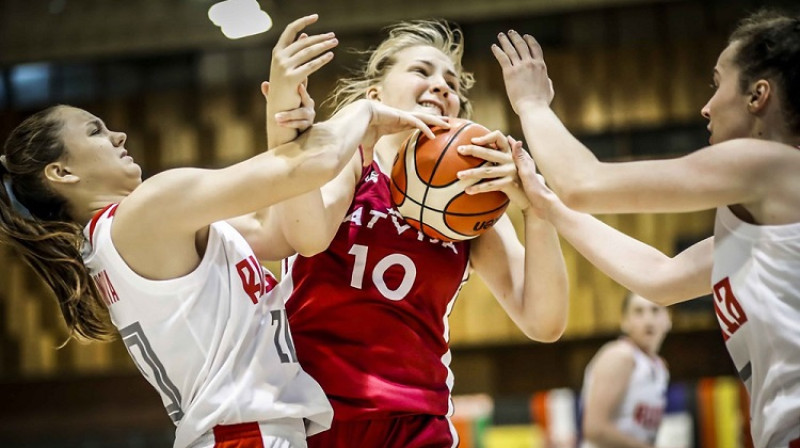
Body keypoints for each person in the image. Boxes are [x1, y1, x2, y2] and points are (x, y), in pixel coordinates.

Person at [0, 15, 447, 448]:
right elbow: (309, 166)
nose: (117, 135)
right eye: (95, 131)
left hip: (248, 432)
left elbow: (282, 231)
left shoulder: (128, 234)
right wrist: (364, 111)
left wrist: (285, 116)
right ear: (61, 172)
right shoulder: (149, 210)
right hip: (245, 433)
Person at [479, 8, 800, 448]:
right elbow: (660, 279)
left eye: (717, 82)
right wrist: (546, 205)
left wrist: (531, 105)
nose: (706, 105)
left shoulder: (771, 166)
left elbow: (584, 182)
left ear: (758, 95)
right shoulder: (772, 210)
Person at [268, 19, 570, 448]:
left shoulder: (473, 199)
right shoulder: (349, 159)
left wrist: (536, 209)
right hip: (312, 415)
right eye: (422, 72)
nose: (442, 87)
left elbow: (545, 321)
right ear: (375, 96)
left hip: (416, 420)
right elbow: (307, 236)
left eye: (451, 84)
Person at [580, 292, 671, 448]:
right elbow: (594, 429)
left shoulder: (660, 367)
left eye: (655, 311)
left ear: (668, 320)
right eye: (638, 312)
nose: (648, 321)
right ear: (624, 322)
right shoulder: (620, 356)